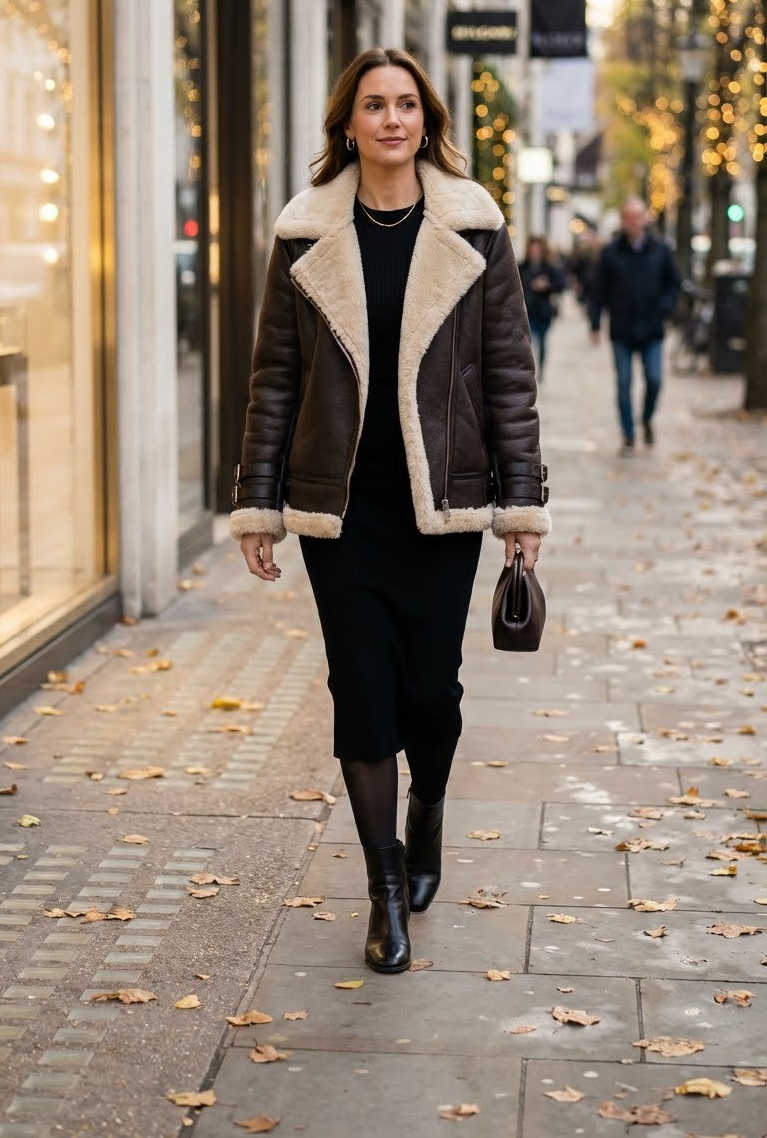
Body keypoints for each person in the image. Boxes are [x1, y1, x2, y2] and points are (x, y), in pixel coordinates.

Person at [230, 47, 551, 974]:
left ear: (426, 118)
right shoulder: (302, 235)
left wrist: (521, 503)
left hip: (441, 506)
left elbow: (508, 373)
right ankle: (382, 884)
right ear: (348, 124)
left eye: (406, 104)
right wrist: (260, 505)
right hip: (343, 512)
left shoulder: (475, 228)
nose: (391, 120)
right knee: (361, 694)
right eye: (374, 105)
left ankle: (429, 808)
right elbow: (275, 377)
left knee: (431, 695)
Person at [590, 198, 680, 452]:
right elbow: (598, 291)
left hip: (652, 328)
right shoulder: (610, 253)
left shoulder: (660, 250)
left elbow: (674, 284)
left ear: (645, 219)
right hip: (622, 329)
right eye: (628, 217)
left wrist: (666, 307)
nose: (633, 222)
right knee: (624, 384)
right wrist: (595, 323)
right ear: (622, 220)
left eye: (637, 216)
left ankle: (647, 418)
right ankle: (628, 433)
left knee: (654, 379)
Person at [519, 237, 566, 379]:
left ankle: (541, 369)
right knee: (528, 344)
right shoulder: (521, 266)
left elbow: (561, 284)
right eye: (532, 249)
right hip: (527, 312)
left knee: (543, 342)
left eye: (537, 249)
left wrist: (547, 285)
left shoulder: (549, 267)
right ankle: (529, 370)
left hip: (544, 312)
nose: (534, 252)